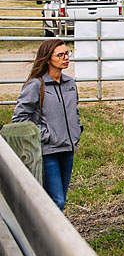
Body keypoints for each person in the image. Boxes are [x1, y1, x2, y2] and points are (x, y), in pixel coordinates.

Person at [13, 39, 81, 210]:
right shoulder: (36, 85)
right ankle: (50, 235)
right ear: (48, 59)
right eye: (60, 55)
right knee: (56, 201)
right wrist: (47, 135)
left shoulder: (70, 84)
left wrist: (76, 130)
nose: (66, 58)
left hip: (68, 149)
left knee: (60, 199)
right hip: (48, 152)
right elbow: (20, 119)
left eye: (67, 53)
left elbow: (75, 111)